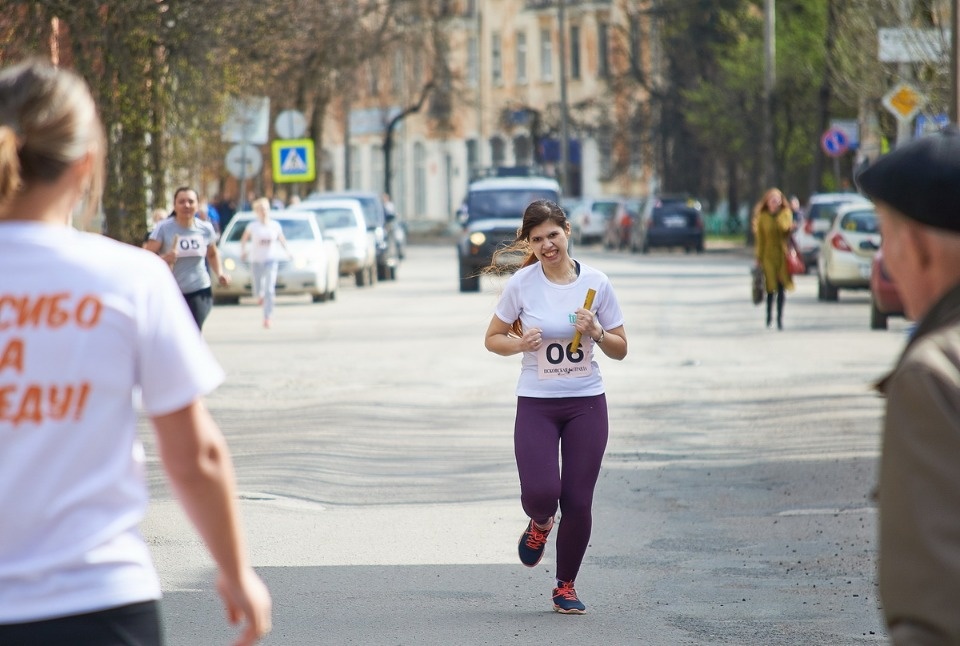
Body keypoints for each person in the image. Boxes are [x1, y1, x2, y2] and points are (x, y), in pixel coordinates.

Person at [0, 59, 270, 645]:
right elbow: (194, 454)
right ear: (87, 164)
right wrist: (234, 570)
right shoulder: (130, 278)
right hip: (99, 600)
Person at [483, 199, 627, 615]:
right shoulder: (523, 284)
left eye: (553, 235)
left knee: (579, 501)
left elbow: (621, 348)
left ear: (567, 231)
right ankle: (540, 524)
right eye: (538, 239)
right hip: (537, 403)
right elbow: (492, 337)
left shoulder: (597, 283)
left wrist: (597, 331)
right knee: (542, 493)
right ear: (529, 242)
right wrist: (518, 344)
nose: (547, 245)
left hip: (586, 402)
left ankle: (565, 585)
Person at [856, 125, 960, 644]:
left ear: (917, 246)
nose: (888, 260)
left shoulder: (935, 372)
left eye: (884, 235)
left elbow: (936, 610)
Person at [144, 186, 230, 330]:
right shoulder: (163, 228)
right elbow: (147, 256)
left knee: (194, 329)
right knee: (175, 332)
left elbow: (212, 254)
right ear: (174, 205)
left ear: (197, 205)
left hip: (199, 288)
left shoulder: (205, 228)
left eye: (191, 201)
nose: (186, 205)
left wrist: (220, 273)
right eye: (182, 202)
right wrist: (165, 258)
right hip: (171, 291)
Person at [241, 197, 291, 329]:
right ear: (257, 211)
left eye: (266, 209)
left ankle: (267, 317)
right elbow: (244, 239)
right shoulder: (252, 226)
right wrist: (243, 251)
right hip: (256, 261)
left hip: (271, 260)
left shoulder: (275, 225)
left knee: (269, 289)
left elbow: (281, 239)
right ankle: (260, 296)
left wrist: (288, 252)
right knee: (257, 289)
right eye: (261, 209)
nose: (264, 211)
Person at [752, 188, 795, 330]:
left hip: (782, 255)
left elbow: (784, 230)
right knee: (770, 287)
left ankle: (779, 319)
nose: (775, 202)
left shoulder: (785, 214)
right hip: (768, 256)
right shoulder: (762, 217)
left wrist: (787, 223)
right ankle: (769, 317)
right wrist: (758, 258)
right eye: (772, 199)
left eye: (778, 199)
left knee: (781, 287)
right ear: (767, 201)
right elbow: (760, 240)